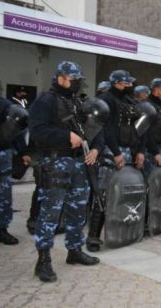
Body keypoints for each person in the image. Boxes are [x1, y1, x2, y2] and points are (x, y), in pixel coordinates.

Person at [29, 61, 103, 282]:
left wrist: (97, 148)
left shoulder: (75, 102)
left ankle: (74, 251)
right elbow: (36, 131)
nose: (77, 83)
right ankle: (43, 260)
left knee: (78, 210)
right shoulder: (45, 100)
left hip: (79, 164)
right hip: (56, 163)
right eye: (73, 79)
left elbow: (93, 127)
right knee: (50, 213)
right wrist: (65, 137)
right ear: (60, 77)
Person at [87, 70, 145, 252]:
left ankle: (125, 230)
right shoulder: (106, 99)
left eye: (130, 83)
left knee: (129, 192)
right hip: (110, 151)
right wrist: (116, 152)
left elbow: (137, 129)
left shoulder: (129, 101)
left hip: (128, 151)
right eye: (126, 83)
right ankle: (93, 237)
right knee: (103, 193)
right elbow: (106, 129)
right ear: (117, 83)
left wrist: (139, 151)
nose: (129, 86)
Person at [0, 74, 30, 245]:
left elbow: (16, 130)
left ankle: (1, 229)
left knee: (4, 193)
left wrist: (23, 152)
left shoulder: (5, 105)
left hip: (3, 154)